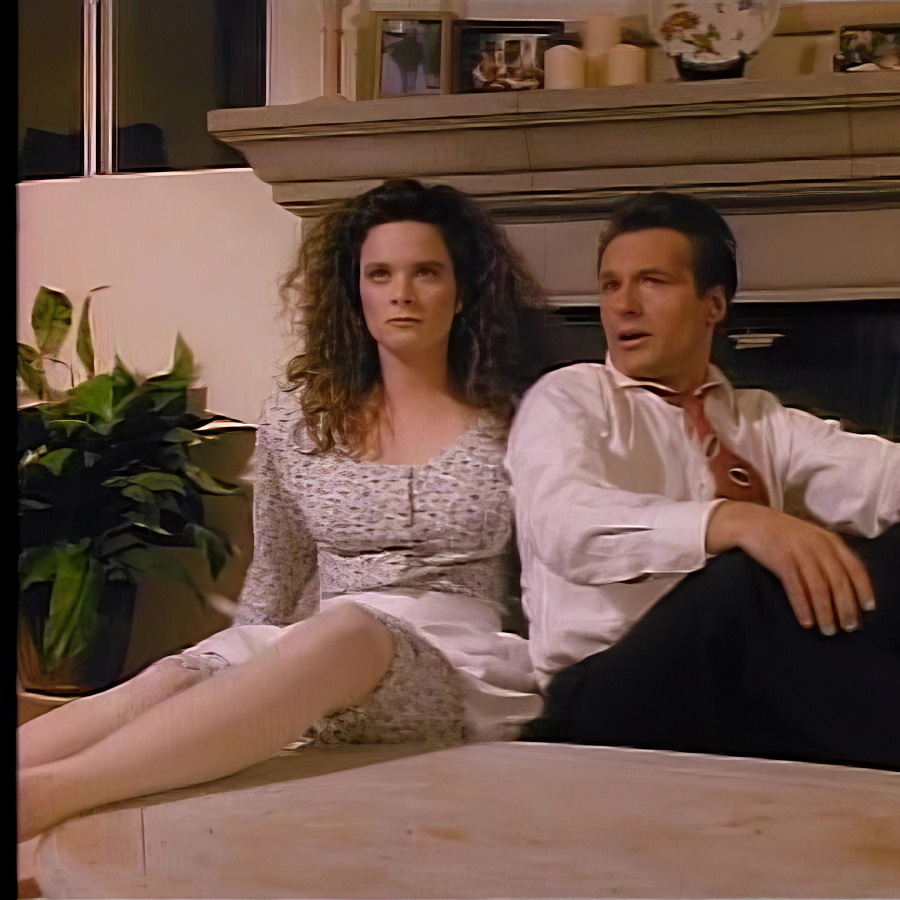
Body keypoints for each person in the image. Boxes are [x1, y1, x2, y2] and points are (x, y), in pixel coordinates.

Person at [506, 190, 900, 786]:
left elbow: (884, 470)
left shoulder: (757, 419)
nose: (623, 305)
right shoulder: (569, 397)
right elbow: (563, 525)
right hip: (608, 693)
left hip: (749, 680)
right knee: (745, 582)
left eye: (652, 282)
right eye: (611, 284)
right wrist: (738, 522)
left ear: (713, 305)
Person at [18, 179, 545, 841]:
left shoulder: (519, 421)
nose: (402, 293)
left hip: (452, 661)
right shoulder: (299, 421)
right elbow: (277, 568)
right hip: (313, 649)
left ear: (462, 292)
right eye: (380, 274)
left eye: (427, 273)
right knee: (172, 677)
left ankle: (48, 798)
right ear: (355, 292)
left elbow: (553, 571)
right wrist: (230, 670)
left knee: (348, 628)